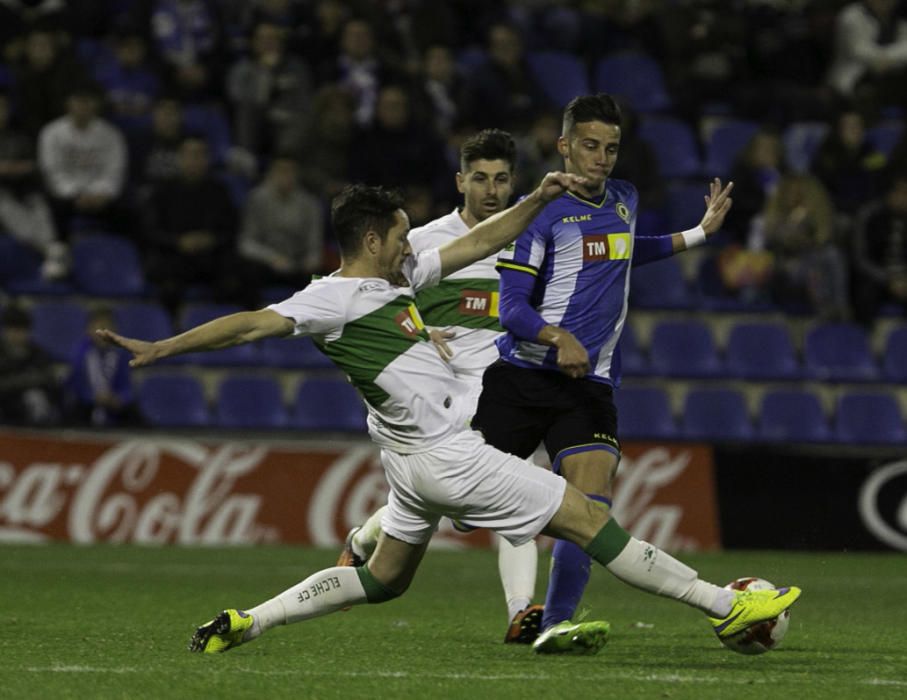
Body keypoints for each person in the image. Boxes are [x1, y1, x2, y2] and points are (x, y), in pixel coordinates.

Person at [100, 177, 800, 657]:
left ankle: (248, 622)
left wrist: (536, 197)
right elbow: (252, 324)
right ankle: (725, 605)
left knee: (382, 581)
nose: (414, 245)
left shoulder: (397, 276)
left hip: (407, 469)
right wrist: (165, 345)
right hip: (447, 456)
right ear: (372, 239)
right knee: (587, 520)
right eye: (402, 235)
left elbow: (471, 244)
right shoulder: (328, 300)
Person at [470, 93, 738, 637]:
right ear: (564, 147)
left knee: (591, 505)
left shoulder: (624, 197)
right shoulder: (537, 212)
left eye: (611, 148)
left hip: (587, 386)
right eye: (590, 146)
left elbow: (624, 247)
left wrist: (699, 234)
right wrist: (558, 335)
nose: (602, 158)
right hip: (521, 379)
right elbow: (513, 305)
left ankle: (556, 626)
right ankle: (375, 536)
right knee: (457, 507)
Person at [337, 129, 546, 644]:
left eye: (500, 179)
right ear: (460, 181)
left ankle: (521, 611)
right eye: (479, 178)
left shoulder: (535, 238)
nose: (491, 190)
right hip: (442, 395)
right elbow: (363, 304)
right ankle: (366, 539)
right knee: (476, 494)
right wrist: (422, 329)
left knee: (509, 484)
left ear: (513, 181)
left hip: (506, 387)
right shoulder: (425, 243)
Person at [237, 155, 325, 292]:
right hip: (266, 262)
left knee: (320, 278)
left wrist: (311, 261)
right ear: (271, 173)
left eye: (291, 171)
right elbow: (247, 243)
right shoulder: (257, 199)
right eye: (281, 171)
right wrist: (272, 259)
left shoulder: (309, 204)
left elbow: (314, 244)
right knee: (247, 272)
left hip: (298, 264)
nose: (286, 176)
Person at [63, 306, 140, 427]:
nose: (103, 334)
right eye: (98, 328)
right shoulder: (79, 353)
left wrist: (120, 399)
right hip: (86, 406)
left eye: (107, 328)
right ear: (88, 329)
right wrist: (92, 397)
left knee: (134, 412)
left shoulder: (121, 354)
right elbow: (75, 385)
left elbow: (127, 386)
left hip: (114, 407)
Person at [852, 172, 907, 324]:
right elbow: (860, 258)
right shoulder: (869, 214)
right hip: (877, 276)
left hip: (904, 277)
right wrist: (889, 279)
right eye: (900, 191)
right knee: (865, 292)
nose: (904, 197)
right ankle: (864, 339)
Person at [0, 304, 60, 426]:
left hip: (28, 408)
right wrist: (27, 379)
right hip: (5, 402)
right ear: (5, 330)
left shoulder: (38, 353)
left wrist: (14, 382)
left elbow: (49, 379)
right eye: (13, 330)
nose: (17, 335)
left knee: (36, 398)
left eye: (21, 330)